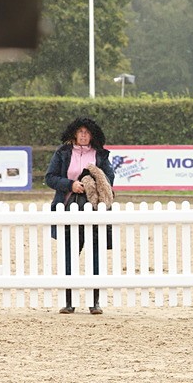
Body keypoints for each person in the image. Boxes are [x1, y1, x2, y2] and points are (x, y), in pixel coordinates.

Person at [44, 116, 116, 314]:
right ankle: (69, 302)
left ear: (92, 135)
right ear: (74, 134)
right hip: (68, 209)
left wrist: (94, 181)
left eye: (87, 132)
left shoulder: (100, 154)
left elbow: (110, 178)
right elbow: (50, 178)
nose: (84, 135)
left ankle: (94, 303)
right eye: (80, 132)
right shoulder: (63, 152)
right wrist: (70, 184)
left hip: (94, 211)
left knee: (95, 256)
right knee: (69, 256)